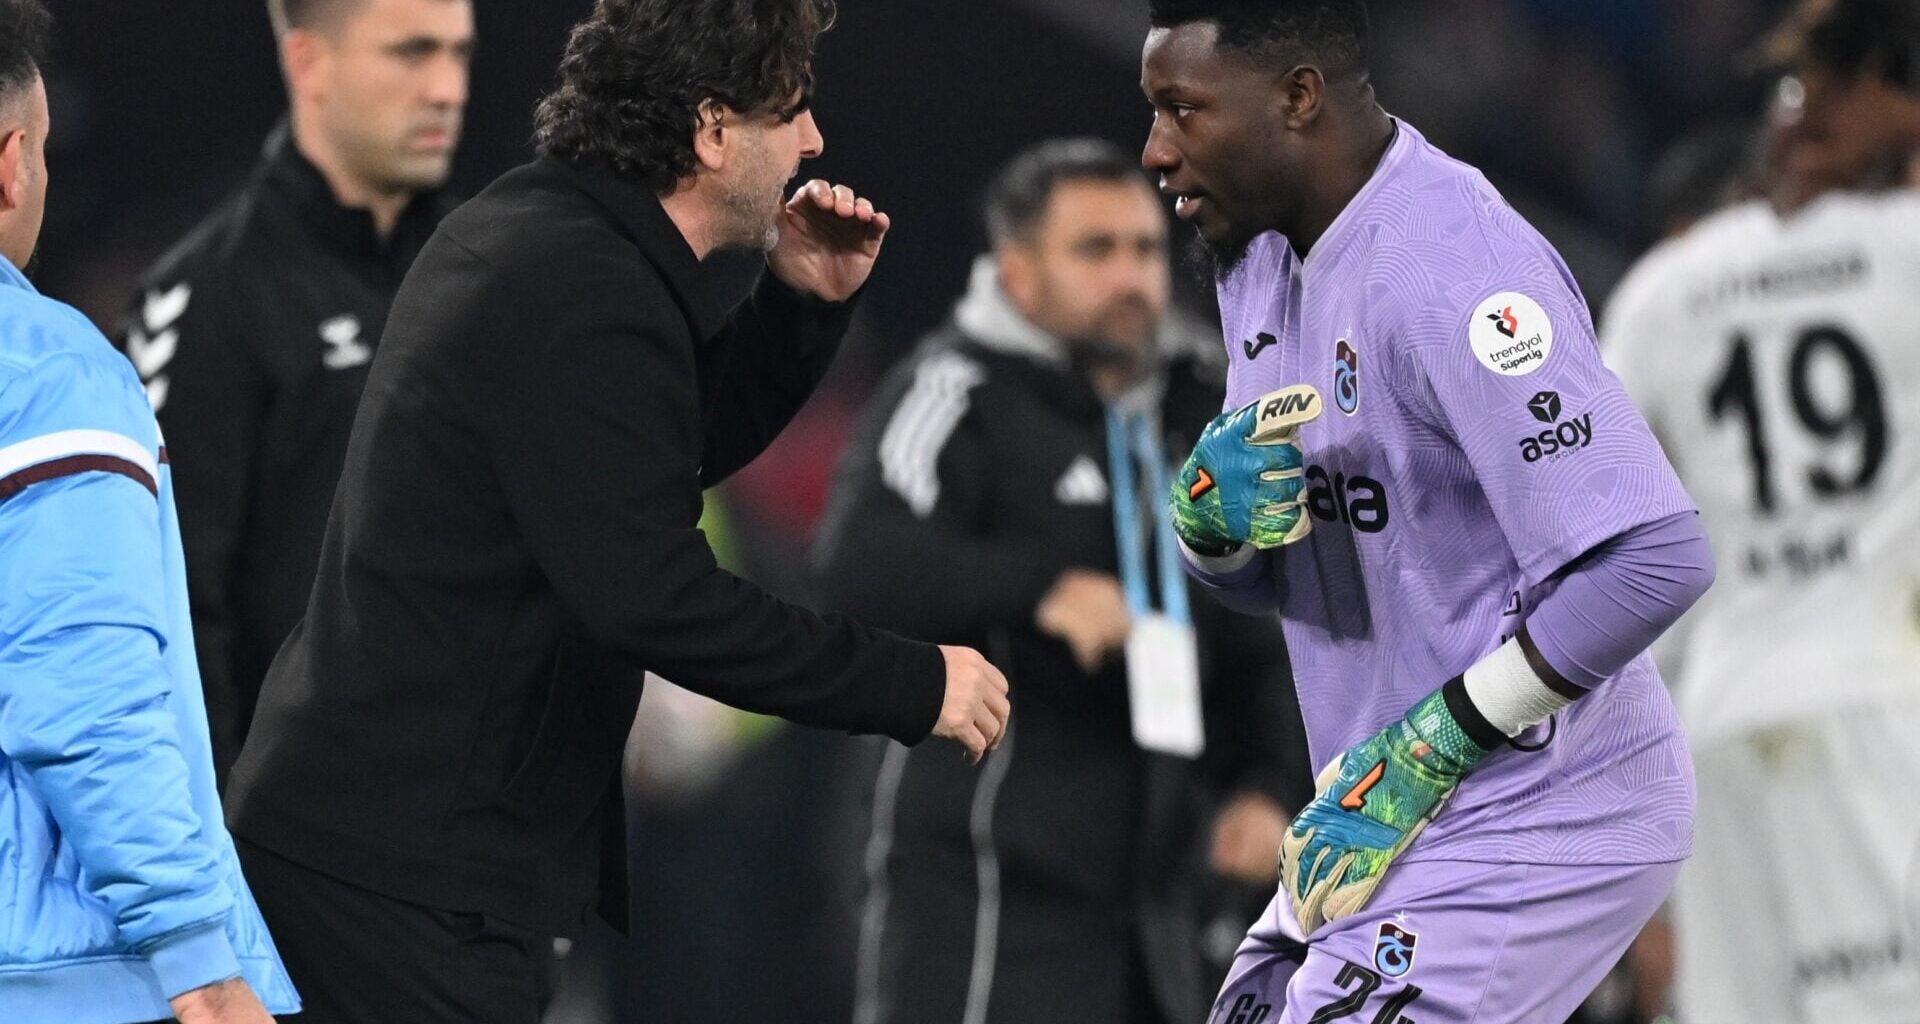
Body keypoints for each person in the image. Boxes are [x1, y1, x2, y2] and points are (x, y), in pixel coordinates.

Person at [220, 0, 1011, 1020]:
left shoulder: (547, 234)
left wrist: (798, 306)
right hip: (402, 881)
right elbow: (654, 596)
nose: (814, 140)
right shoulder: (582, 286)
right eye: (792, 109)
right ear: (713, 128)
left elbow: (645, 463)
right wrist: (911, 682)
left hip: (396, 853)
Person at [1140, 1, 1717, 1021]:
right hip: (1376, 810)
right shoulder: (1256, 256)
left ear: (1297, 96)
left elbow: (1654, 559)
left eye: (1183, 109)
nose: (1156, 149)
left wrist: (1431, 743)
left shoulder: (1454, 267)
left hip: (1543, 806)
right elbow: (1307, 564)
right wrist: (1214, 535)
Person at [815, 138, 1311, 1024]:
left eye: (1145, 248)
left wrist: (1269, 787)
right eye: (1095, 250)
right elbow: (858, 560)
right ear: (1017, 273)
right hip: (986, 895)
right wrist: (1041, 591)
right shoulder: (957, 392)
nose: (1130, 276)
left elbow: (1263, 628)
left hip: (1162, 907)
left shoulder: (1203, 410)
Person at [1603, 3, 1920, 1019]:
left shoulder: (1664, 290)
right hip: (1874, 700)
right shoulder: (1906, 252)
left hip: (1719, 720)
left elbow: (1594, 531)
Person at [0, 3, 301, 1023]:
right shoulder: (47, 377)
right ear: (11, 163)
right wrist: (202, 964)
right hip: (58, 982)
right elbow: (86, 690)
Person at [114, 0, 472, 785]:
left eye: (459, 54)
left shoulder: (487, 279)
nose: (447, 89)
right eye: (412, 53)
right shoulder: (206, 300)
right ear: (310, 62)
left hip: (483, 827)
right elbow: (160, 607)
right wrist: (213, 838)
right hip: (293, 830)